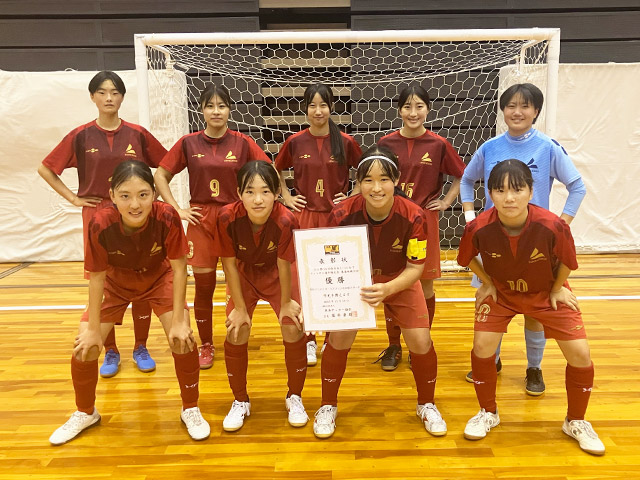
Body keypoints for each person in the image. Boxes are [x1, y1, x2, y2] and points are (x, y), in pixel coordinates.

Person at [49, 161, 210, 445]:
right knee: (85, 347)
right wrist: (92, 330)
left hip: (159, 278)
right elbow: (96, 277)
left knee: (183, 339)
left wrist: (180, 322)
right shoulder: (100, 223)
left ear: (154, 194)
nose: (135, 204)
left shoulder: (168, 217)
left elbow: (178, 269)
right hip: (116, 283)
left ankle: (190, 408)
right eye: (125, 196)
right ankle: (85, 412)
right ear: (112, 195)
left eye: (143, 195)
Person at [457, 159, 603, 456]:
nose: (509, 198)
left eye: (517, 189)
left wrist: (557, 288)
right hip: (502, 292)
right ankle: (488, 412)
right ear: (490, 193)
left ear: (531, 191)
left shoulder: (552, 225)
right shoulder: (478, 227)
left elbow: (567, 261)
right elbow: (466, 258)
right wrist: (487, 282)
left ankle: (575, 421)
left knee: (580, 354)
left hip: (546, 291)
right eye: (500, 191)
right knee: (482, 347)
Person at [38, 70, 167, 378]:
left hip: (136, 215)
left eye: (115, 92)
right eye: (103, 92)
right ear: (92, 96)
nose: (109, 98)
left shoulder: (137, 134)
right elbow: (46, 168)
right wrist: (73, 198)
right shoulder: (81, 135)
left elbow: (165, 165)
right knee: (105, 283)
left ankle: (141, 346)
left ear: (122, 97)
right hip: (98, 217)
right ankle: (111, 350)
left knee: (141, 275)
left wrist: (155, 200)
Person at [460, 83, 587, 395]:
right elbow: (466, 179)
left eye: (525, 106)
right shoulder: (490, 147)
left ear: (536, 111)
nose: (517, 112)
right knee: (492, 299)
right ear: (503, 110)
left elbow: (577, 186)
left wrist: (561, 226)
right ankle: (492, 361)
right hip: (494, 243)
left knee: (535, 312)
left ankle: (534, 368)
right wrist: (470, 217)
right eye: (511, 105)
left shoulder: (548, 147)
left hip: (535, 245)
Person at [313, 146, 447, 439]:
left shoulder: (414, 215)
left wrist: (388, 288)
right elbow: (327, 261)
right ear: (358, 183)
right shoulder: (341, 213)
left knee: (421, 340)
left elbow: (416, 268)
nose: (376, 188)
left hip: (399, 280)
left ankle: (426, 404)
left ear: (396, 180)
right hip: (355, 283)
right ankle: (327, 405)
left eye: (384, 179)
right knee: (338, 339)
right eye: (368, 180)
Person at [155, 84, 271, 370]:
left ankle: (237, 336)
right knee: (204, 287)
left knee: (238, 283)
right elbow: (160, 175)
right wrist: (177, 209)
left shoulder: (243, 142)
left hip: (234, 219)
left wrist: (254, 203)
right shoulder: (188, 143)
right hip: (201, 220)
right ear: (201, 110)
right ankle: (206, 344)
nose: (216, 111)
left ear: (230, 109)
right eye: (210, 106)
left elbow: (269, 171)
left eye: (221, 105)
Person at [213, 161, 308, 432]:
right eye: (250, 191)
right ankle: (240, 400)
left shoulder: (286, 219)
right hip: (243, 274)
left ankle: (295, 396)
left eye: (265, 191)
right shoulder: (226, 217)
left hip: (278, 274)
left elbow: (284, 263)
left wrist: (287, 303)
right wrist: (240, 308)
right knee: (236, 329)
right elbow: (229, 264)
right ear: (239, 193)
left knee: (293, 326)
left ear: (277, 192)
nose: (258, 199)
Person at [375, 85, 465, 371]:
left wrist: (447, 201)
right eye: (407, 107)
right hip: (392, 219)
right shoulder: (386, 142)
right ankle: (393, 345)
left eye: (419, 106)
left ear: (428, 108)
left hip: (424, 220)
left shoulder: (438, 144)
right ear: (399, 110)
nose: (413, 113)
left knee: (424, 282)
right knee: (391, 281)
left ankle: (420, 344)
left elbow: (461, 175)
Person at [275, 83, 362, 367]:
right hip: (306, 217)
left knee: (334, 275)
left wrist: (352, 195)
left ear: (331, 107)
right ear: (305, 109)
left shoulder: (345, 141)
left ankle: (330, 336)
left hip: (337, 219)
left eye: (323, 105)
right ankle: (309, 338)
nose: (318, 111)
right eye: (312, 105)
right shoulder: (295, 141)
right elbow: (275, 169)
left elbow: (366, 170)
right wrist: (287, 196)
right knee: (305, 280)